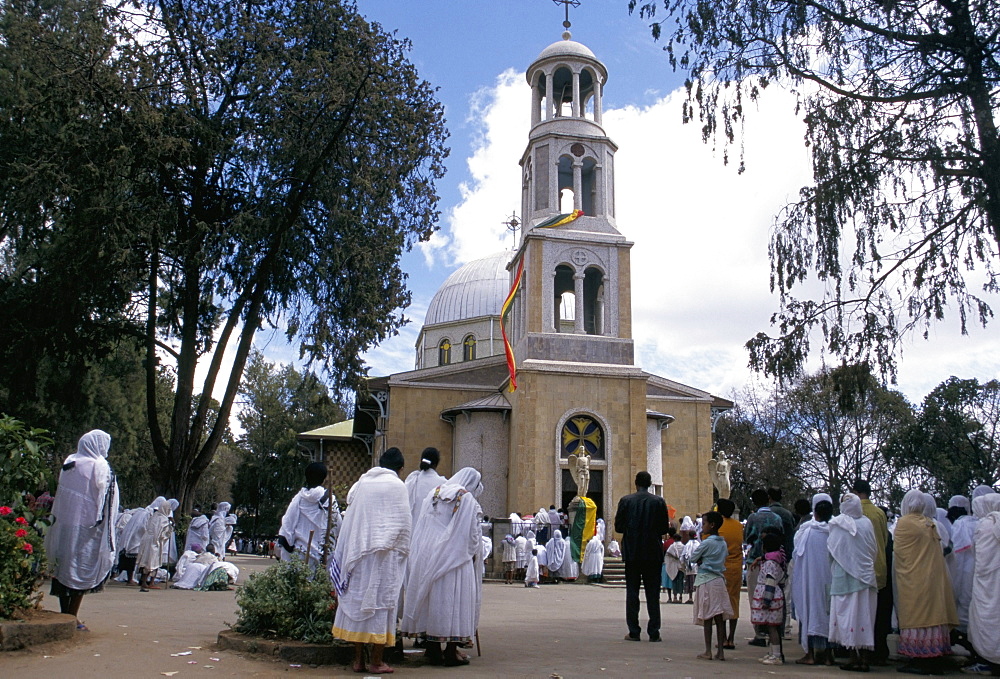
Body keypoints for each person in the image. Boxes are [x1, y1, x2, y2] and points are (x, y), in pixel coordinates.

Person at [329, 448, 411, 675]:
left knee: (357, 600)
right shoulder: (398, 486)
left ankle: (358, 660)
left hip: (359, 554)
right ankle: (377, 661)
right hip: (385, 558)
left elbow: (351, 509)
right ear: (400, 468)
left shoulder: (362, 484)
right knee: (381, 605)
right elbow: (403, 524)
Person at [401, 467, 484, 667]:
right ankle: (451, 651)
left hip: (426, 554)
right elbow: (472, 535)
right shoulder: (467, 499)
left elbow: (421, 525)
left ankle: (432, 648)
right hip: (455, 558)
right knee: (453, 602)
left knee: (432, 601)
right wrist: (473, 555)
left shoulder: (434, 493)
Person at [45, 430, 121, 626]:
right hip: (88, 528)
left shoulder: (69, 463)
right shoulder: (100, 466)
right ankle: (72, 617)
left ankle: (66, 615)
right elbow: (105, 498)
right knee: (80, 567)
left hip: (64, 526)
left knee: (63, 567)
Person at [893, 489, 958, 675]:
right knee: (932, 617)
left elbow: (900, 552)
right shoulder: (930, 523)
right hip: (932, 579)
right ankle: (934, 659)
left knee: (917, 616)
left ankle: (920, 659)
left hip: (913, 580)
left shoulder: (904, 523)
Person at [614, 471, 671, 642]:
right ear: (650, 483)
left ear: (635, 483)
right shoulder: (659, 502)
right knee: (653, 594)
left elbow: (618, 527)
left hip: (632, 552)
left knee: (632, 593)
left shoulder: (626, 501)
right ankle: (654, 632)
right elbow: (663, 529)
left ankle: (634, 631)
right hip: (653, 552)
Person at [827, 492, 878, 673]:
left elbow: (832, 551)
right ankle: (863, 659)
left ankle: (853, 658)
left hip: (843, 578)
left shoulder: (836, 524)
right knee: (864, 616)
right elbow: (873, 549)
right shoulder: (866, 523)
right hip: (865, 576)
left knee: (847, 617)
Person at [850, 479, 893, 665]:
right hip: (880, 568)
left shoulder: (853, 513)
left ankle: (860, 652)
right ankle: (879, 651)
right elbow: (884, 540)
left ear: (855, 492)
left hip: (859, 571)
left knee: (861, 613)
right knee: (880, 613)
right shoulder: (878, 513)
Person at [791, 494, 834, 666]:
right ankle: (829, 655)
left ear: (814, 511)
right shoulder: (836, 529)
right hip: (830, 582)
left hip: (809, 582)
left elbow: (797, 554)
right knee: (829, 615)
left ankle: (810, 654)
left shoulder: (807, 530)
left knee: (809, 614)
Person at [278, 462, 341, 566]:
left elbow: (287, 526)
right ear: (324, 479)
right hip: (323, 556)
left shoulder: (298, 499)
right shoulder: (329, 500)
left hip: (300, 555)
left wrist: (287, 551)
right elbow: (338, 526)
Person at [689, 511, 733, 661]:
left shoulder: (707, 542)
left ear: (712, 525)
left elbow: (693, 557)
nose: (703, 527)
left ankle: (708, 650)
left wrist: (702, 559)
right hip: (719, 580)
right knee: (719, 617)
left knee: (707, 617)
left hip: (706, 580)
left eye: (705, 524)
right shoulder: (722, 542)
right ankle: (720, 651)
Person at [744, 488, 785, 646]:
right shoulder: (777, 517)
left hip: (756, 559)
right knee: (774, 595)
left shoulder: (753, 517)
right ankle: (773, 630)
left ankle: (759, 633)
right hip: (776, 560)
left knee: (756, 597)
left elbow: (748, 537)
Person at [969, 492, 1000, 675]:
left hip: (985, 581)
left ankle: (988, 660)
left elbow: (978, 556)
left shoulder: (984, 525)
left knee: (986, 619)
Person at [750, 532, 787, 665]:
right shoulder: (776, 560)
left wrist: (766, 600)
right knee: (772, 627)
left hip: (770, 598)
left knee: (772, 628)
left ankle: (776, 655)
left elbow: (770, 583)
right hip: (774, 597)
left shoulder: (770, 563)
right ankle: (773, 652)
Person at [715, 498, 744, 649]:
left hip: (720, 567)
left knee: (720, 603)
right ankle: (731, 638)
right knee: (734, 601)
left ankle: (722, 637)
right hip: (736, 567)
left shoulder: (717, 526)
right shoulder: (739, 526)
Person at [135, 497, 172, 592]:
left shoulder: (154, 516)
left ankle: (144, 581)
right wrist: (169, 531)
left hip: (146, 540)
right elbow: (162, 534)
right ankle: (149, 582)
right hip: (155, 542)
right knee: (153, 562)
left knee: (146, 560)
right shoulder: (164, 520)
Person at [404, 447, 446, 523]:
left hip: (413, 529)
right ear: (436, 463)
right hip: (433, 531)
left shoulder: (412, 480)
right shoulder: (443, 483)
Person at [664, 530, 687, 603]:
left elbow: (668, 554)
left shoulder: (672, 546)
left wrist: (674, 557)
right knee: (680, 581)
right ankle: (680, 597)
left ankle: (674, 597)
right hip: (681, 566)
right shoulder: (683, 546)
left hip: (673, 566)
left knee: (674, 581)